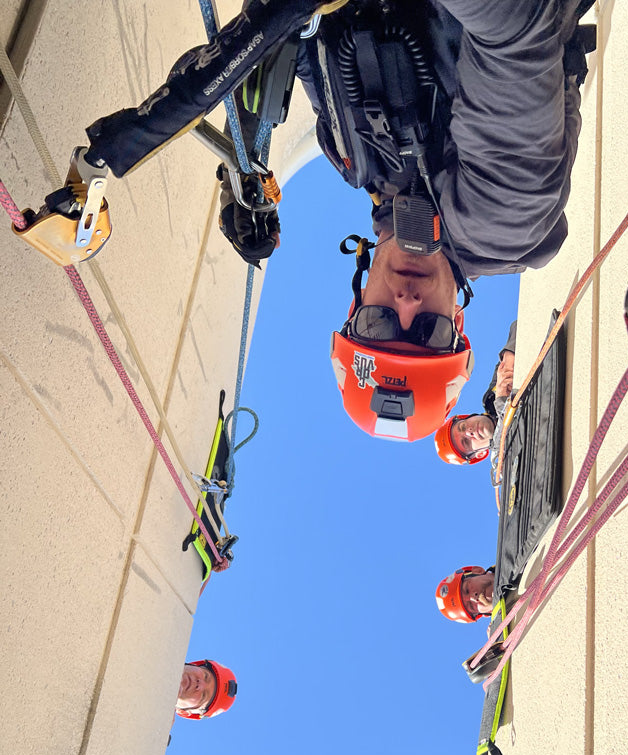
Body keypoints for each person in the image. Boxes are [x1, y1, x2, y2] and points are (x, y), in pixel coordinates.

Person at [75, 1, 594, 441]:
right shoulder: (503, 223)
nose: (408, 306)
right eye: (428, 333)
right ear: (457, 325)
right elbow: (514, 32)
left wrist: (247, 163)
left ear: (356, 304)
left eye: (379, 324)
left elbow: (299, 43)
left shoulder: (361, 167)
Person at [434, 321, 517, 479]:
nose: (469, 432)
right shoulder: (505, 463)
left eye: (463, 427)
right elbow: (508, 436)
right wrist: (502, 400)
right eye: (466, 442)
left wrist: (509, 359)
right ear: (479, 454)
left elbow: (518, 327)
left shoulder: (491, 396)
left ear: (469, 416)